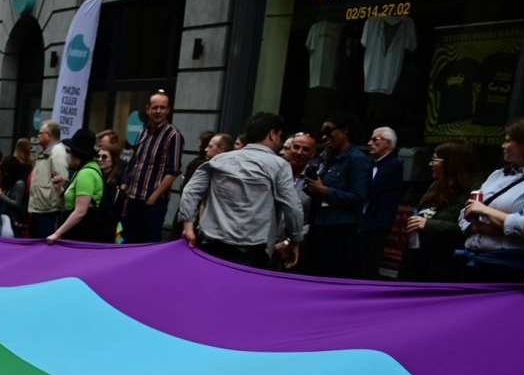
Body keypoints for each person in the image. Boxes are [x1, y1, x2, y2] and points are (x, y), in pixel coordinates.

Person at [179, 113, 305, 269]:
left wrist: (188, 226)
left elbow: (191, 190)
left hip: (212, 241)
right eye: (279, 135)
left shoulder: (219, 160)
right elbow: (292, 206)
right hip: (251, 247)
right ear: (272, 134)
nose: (279, 141)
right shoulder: (279, 165)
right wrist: (295, 240)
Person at [459, 116, 524, 283]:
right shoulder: (499, 174)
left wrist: (484, 211)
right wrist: (484, 227)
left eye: (508, 141)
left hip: (506, 267)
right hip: (471, 259)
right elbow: (464, 214)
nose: (503, 146)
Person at [298, 112, 372, 279]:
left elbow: (359, 197)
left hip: (340, 232)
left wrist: (324, 191)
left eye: (329, 131)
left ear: (344, 131)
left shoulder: (357, 160)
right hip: (320, 226)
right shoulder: (328, 158)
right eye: (322, 133)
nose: (324, 137)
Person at [399, 141, 480, 282]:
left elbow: (467, 229)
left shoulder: (473, 192)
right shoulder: (436, 186)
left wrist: (428, 225)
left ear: (451, 163)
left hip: (444, 265)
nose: (430, 164)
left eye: (435, 160)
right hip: (418, 257)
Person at [121, 91, 183, 243]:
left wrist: (153, 198)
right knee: (128, 243)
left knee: (148, 245)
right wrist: (123, 189)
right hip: (134, 198)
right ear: (148, 109)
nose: (158, 111)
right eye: (155, 107)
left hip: (153, 204)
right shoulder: (143, 132)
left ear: (168, 110)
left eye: (163, 108)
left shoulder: (173, 135)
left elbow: (173, 171)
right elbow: (134, 162)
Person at [46, 129, 108, 243]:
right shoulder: (83, 170)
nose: (67, 154)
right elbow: (73, 200)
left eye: (68, 151)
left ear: (75, 153)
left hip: (82, 232)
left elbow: (80, 211)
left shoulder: (86, 173)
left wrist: (57, 234)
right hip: (80, 230)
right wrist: (59, 189)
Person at [361, 127, 405, 278]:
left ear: (387, 143)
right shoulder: (374, 164)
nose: (369, 143)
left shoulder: (393, 165)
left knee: (368, 263)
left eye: (375, 139)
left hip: (375, 223)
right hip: (366, 220)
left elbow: (369, 189)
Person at [27, 120, 70, 238]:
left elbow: (63, 179)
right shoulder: (47, 151)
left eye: (40, 133)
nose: (38, 136)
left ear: (49, 135)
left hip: (49, 209)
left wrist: (53, 199)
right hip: (41, 207)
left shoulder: (57, 152)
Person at [0, 155, 27, 238]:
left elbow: (17, 204)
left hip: (11, 220)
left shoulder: (19, 184)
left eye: (7, 171)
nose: (5, 174)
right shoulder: (9, 182)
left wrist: (1, 195)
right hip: (3, 217)